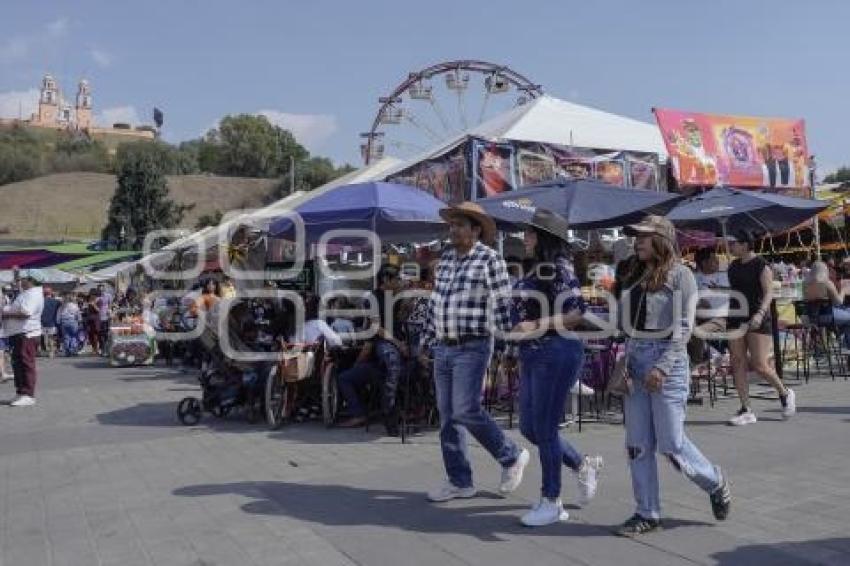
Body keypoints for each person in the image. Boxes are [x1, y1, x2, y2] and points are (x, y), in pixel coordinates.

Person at [616, 216, 730, 537]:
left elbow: (683, 327)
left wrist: (662, 366)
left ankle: (714, 481)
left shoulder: (682, 276)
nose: (636, 242)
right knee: (637, 444)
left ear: (662, 239)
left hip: (668, 360)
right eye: (635, 237)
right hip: (636, 359)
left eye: (643, 237)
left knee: (671, 444)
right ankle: (647, 511)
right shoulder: (634, 273)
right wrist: (626, 359)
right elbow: (629, 323)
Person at [420, 201, 529, 502]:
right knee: (448, 417)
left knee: (465, 409)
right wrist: (427, 340)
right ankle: (459, 480)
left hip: (474, 344)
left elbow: (503, 304)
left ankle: (511, 456)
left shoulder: (489, 259)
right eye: (451, 225)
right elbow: (436, 303)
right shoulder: (445, 260)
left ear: (476, 230)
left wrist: (509, 347)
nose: (452, 230)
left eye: (459, 225)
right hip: (444, 345)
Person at [510, 209, 604, 527]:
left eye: (531, 233)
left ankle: (551, 501)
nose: (525, 237)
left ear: (545, 238)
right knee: (529, 428)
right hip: (533, 353)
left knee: (546, 430)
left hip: (556, 351)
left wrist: (536, 323)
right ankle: (582, 464)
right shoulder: (536, 268)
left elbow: (577, 312)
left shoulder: (558, 267)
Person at [726, 231, 795, 426]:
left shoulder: (761, 265)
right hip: (735, 317)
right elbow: (737, 291)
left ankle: (785, 393)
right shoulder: (732, 266)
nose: (730, 246)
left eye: (734, 243)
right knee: (737, 362)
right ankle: (746, 408)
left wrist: (760, 313)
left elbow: (768, 294)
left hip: (757, 318)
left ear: (746, 244)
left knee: (760, 364)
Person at [336, 265, 407, 435]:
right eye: (397, 278)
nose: (400, 281)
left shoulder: (399, 297)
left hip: (393, 350)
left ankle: (394, 409)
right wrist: (398, 343)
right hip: (382, 351)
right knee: (346, 377)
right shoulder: (373, 298)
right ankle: (372, 412)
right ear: (386, 280)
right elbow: (376, 328)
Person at [1, 272, 45, 406]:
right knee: (18, 364)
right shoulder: (28, 292)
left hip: (27, 334)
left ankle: (28, 394)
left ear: (30, 280)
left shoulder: (33, 294)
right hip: (20, 333)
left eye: (22, 279)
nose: (20, 281)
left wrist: (5, 313)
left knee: (26, 364)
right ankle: (21, 392)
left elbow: (26, 313)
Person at [803, 260, 850, 349]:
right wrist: (843, 290)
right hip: (825, 317)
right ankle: (847, 346)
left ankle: (841, 339)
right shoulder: (827, 283)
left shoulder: (806, 283)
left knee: (846, 314)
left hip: (808, 318)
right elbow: (838, 302)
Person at [40, 287, 61, 358]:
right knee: (51, 338)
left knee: (41, 337)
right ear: (51, 293)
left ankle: (39, 351)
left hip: (41, 321)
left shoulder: (40, 301)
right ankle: (51, 352)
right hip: (52, 321)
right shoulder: (56, 302)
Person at [0, 287, 13, 381]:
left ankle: (3, 372)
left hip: (4, 331)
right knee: (1, 353)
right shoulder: (4, 305)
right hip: (2, 331)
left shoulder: (6, 302)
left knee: (3, 353)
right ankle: (2, 373)